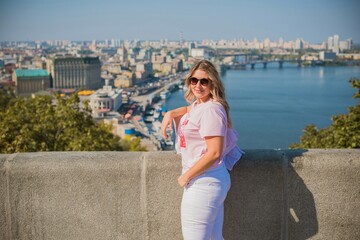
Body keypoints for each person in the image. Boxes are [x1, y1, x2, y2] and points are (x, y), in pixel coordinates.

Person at [161, 59, 242, 240]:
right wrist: (171, 113)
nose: (198, 85)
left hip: (204, 183)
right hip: (209, 181)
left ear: (213, 83)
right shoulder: (200, 105)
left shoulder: (212, 110)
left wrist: (185, 177)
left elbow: (214, 152)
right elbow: (189, 110)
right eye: (194, 80)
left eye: (204, 81)